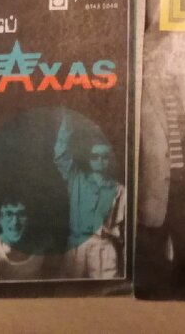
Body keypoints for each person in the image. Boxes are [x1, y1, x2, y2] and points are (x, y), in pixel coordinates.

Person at [135, 32, 185, 300]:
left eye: (184, 53)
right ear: (159, 52)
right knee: (150, 263)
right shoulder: (139, 87)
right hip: (151, 189)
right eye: (174, 51)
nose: (180, 58)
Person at [54, 111, 125, 279]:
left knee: (105, 290)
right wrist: (67, 119)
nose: (100, 160)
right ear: (89, 158)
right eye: (95, 156)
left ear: (110, 159)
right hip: (76, 245)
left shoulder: (119, 190)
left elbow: (123, 228)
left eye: (105, 157)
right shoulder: (76, 179)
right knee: (72, 290)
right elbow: (61, 155)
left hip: (103, 247)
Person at [0, 198, 44, 282]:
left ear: (28, 219)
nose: (15, 222)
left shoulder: (39, 247)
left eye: (21, 214)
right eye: (8, 214)